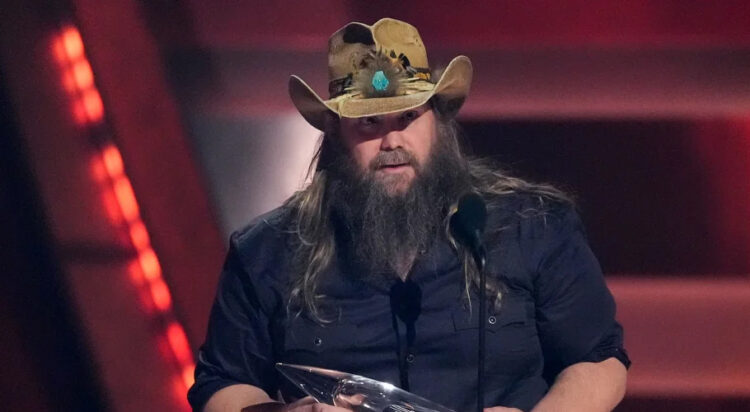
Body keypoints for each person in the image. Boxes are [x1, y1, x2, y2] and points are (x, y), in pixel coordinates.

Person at [188, 18, 630, 412]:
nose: (391, 141)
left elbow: (599, 360)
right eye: (369, 123)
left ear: (438, 122)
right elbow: (222, 383)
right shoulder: (266, 251)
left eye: (408, 117)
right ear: (335, 134)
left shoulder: (533, 225)